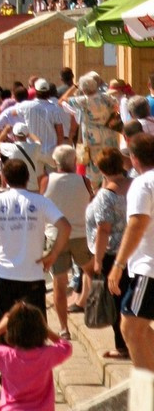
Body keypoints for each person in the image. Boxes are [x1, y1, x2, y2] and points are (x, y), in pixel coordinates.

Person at [0, 158, 71, 322]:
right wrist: (53, 254)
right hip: (33, 273)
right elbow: (65, 227)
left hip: (4, 273)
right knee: (35, 331)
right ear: (27, 178)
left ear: (5, 178)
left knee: (6, 328)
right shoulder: (41, 202)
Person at [108, 131, 154, 370]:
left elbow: (137, 224)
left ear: (134, 159)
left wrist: (118, 265)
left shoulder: (143, 183)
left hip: (149, 266)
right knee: (140, 327)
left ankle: (145, 396)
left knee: (131, 327)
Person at [0, 301, 72, 411]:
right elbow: (66, 346)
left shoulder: (5, 355)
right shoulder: (46, 355)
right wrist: (45, 329)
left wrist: (0, 327)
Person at [39, 144, 92, 340]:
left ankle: (63, 328)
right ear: (74, 161)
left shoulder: (47, 181)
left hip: (55, 236)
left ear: (55, 162)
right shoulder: (84, 181)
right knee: (92, 271)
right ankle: (88, 302)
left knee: (59, 284)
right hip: (80, 235)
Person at [85, 146, 130, 361]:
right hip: (134, 250)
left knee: (115, 301)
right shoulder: (134, 185)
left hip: (113, 253)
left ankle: (123, 346)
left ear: (101, 169)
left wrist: (98, 260)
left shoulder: (106, 196)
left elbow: (103, 229)